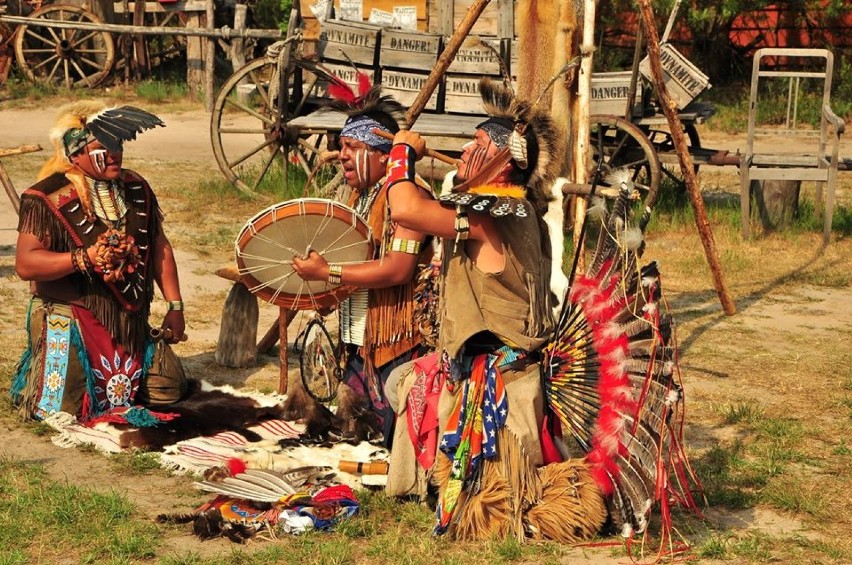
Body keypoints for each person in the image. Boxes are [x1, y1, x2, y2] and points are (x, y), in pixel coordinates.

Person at [382, 79, 608, 542]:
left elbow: (404, 208)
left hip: (499, 393)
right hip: (508, 377)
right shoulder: (521, 209)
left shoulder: (491, 216)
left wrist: (402, 153)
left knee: (492, 507)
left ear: (506, 161)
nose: (466, 150)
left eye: (480, 144)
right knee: (411, 379)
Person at [11, 100, 185, 422]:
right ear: (76, 155)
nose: (115, 153)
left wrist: (175, 307)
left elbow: (159, 245)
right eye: (103, 147)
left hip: (127, 323)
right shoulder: (45, 197)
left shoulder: (135, 187)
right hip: (71, 315)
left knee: (169, 389)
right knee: (61, 409)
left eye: (117, 144)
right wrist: (85, 258)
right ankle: (47, 371)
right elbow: (26, 264)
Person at [291, 80, 434, 446]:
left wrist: (328, 273)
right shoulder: (358, 197)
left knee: (388, 442)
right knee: (348, 437)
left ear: (384, 155)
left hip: (398, 347)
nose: (341, 155)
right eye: (340, 146)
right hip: (359, 349)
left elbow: (398, 268)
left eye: (352, 146)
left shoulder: (408, 195)